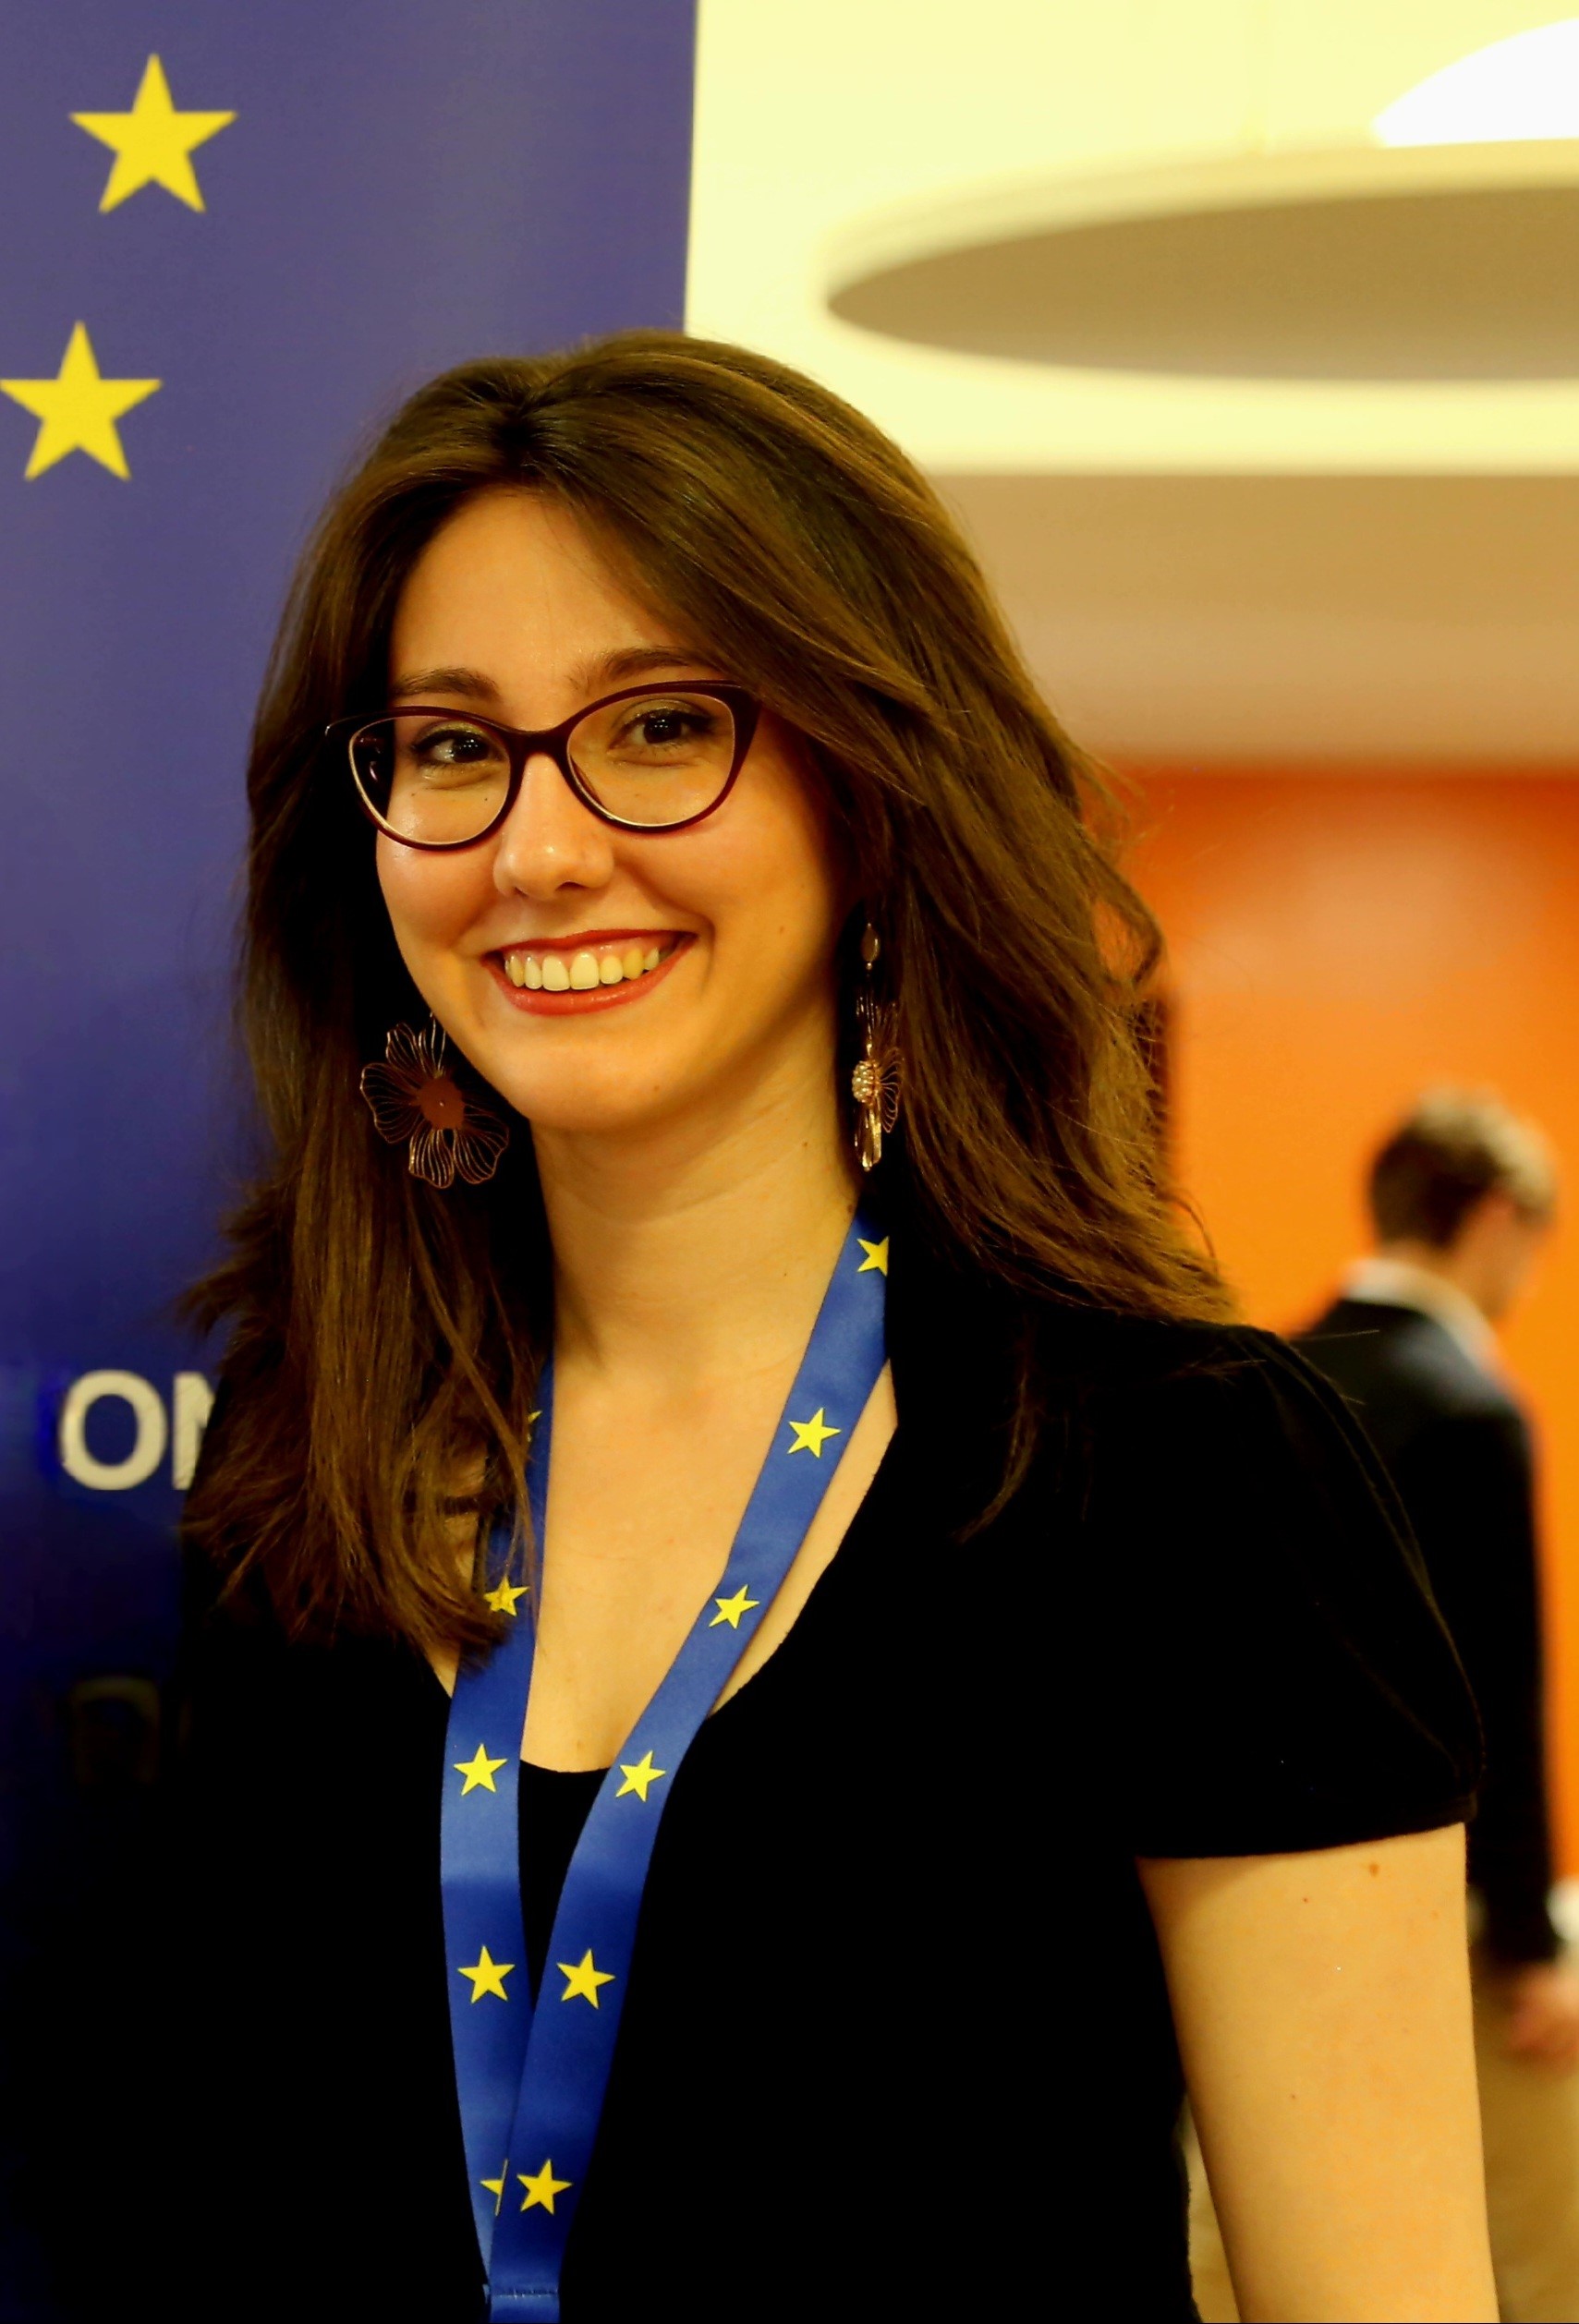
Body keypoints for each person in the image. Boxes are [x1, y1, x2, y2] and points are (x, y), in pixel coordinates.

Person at [151, 336, 1493, 2323]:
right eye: (450, 745)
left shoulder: (1193, 1464)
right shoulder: (305, 1448)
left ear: (870, 793)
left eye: (661, 724)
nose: (535, 847)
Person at [1295, 1091, 1579, 2323]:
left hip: (1262, 1901)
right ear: (1500, 1220)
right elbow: (1496, 1698)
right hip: (1439, 1906)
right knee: (1536, 2247)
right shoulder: (1468, 1406)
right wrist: (1530, 1943)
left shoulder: (1266, 1377)